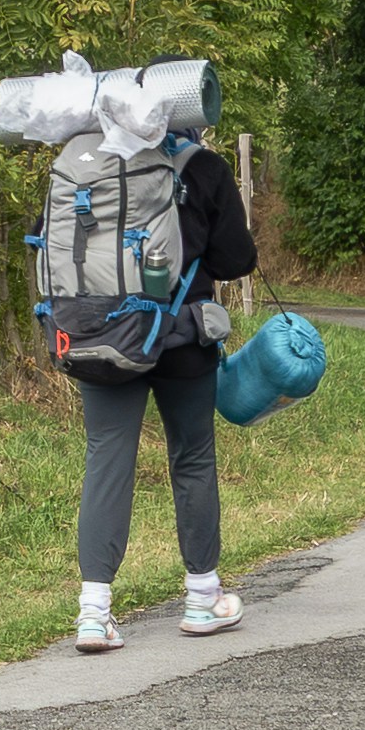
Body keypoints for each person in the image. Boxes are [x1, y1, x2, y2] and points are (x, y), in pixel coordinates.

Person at [66, 121, 260, 654]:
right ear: (193, 113)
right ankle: (202, 599)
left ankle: (93, 613)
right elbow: (236, 259)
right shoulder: (204, 167)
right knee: (192, 457)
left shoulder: (86, 164)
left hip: (101, 336)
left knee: (107, 459)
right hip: (180, 335)